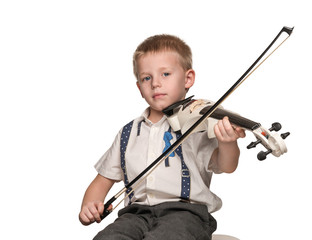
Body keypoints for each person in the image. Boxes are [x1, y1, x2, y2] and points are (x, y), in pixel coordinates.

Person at [79, 34, 246, 240]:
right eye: (146, 78)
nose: (155, 83)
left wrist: (227, 142)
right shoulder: (128, 133)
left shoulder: (197, 125)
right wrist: (90, 204)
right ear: (139, 87)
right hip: (135, 215)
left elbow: (226, 165)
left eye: (165, 74)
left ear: (188, 79)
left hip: (185, 214)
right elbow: (102, 180)